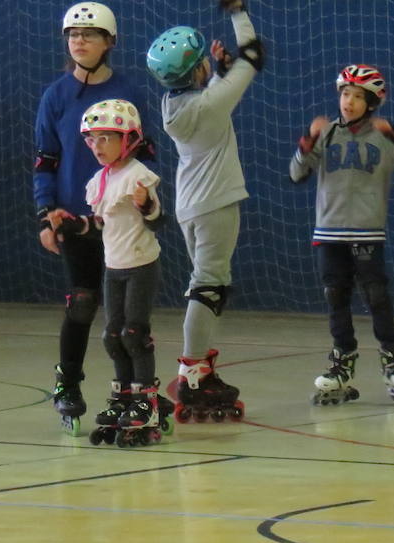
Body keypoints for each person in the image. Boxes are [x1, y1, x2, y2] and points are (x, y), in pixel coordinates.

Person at [34, 2, 151, 435]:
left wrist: (145, 202)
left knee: (126, 316)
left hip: (120, 220)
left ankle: (135, 392)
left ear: (109, 42)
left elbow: (145, 152)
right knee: (82, 303)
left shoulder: (129, 92)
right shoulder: (56, 96)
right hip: (75, 216)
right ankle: (68, 383)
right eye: (72, 35)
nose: (79, 41)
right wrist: (47, 215)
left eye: (89, 34)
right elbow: (45, 160)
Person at [146, 0, 265, 423]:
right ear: (193, 71)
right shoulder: (209, 106)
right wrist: (238, 12)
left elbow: (207, 94)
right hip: (214, 202)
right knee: (208, 286)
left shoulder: (175, 105)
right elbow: (254, 54)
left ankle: (197, 367)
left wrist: (215, 71)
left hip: (193, 205)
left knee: (210, 285)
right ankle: (192, 369)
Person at [290, 65, 394, 406]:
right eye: (344, 94)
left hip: (368, 231)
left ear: (371, 102)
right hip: (329, 231)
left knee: (377, 297)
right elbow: (296, 174)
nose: (348, 102)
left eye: (356, 96)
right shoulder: (325, 134)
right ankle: (341, 363)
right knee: (336, 297)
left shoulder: (384, 135)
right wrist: (307, 141)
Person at [52, 99, 169, 446]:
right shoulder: (100, 180)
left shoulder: (138, 176)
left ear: (128, 139)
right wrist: (72, 225)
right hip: (114, 268)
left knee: (134, 333)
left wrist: (145, 204)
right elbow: (101, 224)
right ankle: (124, 397)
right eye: (92, 140)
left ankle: (146, 401)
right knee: (112, 336)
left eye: (106, 138)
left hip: (140, 266)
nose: (97, 146)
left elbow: (157, 220)